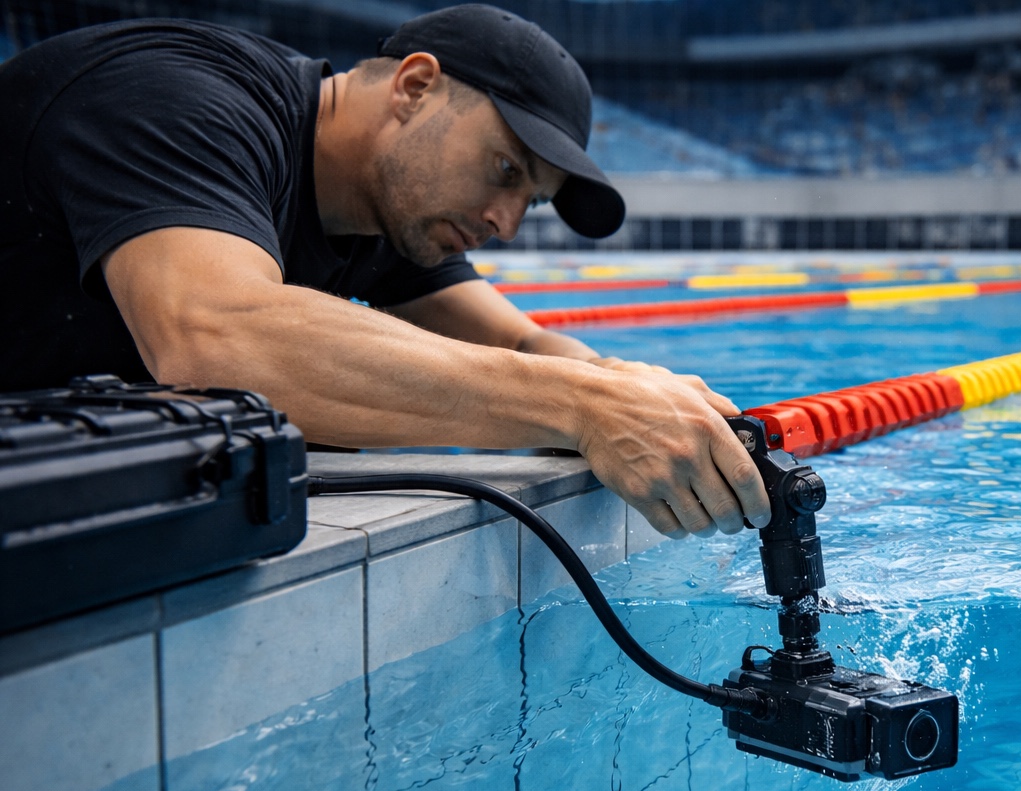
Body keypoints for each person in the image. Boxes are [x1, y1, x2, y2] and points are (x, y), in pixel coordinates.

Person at [0, 4, 768, 539]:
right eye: (505, 169)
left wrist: (634, 387)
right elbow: (217, 338)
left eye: (528, 202)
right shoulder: (180, 99)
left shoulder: (389, 216)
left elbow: (526, 347)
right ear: (413, 86)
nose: (502, 222)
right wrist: (585, 406)